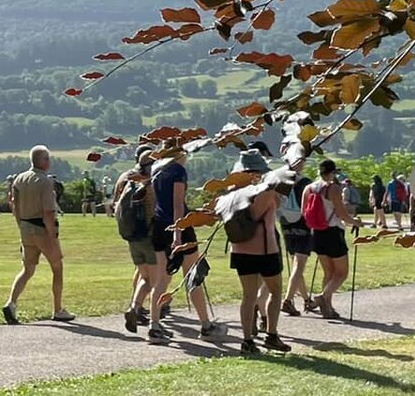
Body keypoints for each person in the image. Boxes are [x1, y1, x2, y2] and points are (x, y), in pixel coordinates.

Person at [225, 151, 291, 355]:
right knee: (275, 291)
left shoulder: (231, 192)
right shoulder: (264, 190)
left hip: (239, 248)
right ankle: (271, 334)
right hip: (264, 248)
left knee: (248, 296)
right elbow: (268, 210)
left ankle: (247, 340)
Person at [150, 148, 219, 341]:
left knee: (161, 280)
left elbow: (158, 202)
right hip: (179, 226)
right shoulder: (178, 171)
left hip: (158, 225)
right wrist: (178, 234)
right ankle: (205, 324)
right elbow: (178, 204)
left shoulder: (156, 169)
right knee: (192, 277)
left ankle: (154, 325)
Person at [3, 146, 73, 325]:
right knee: (57, 268)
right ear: (43, 161)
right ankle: (58, 309)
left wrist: (21, 226)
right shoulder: (45, 181)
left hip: (25, 228)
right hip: (42, 229)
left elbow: (14, 205)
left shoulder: (19, 179)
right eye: (48, 159)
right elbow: (48, 211)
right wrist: (53, 233)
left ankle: (11, 302)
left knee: (27, 270)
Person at [116, 147, 162, 335]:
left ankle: (134, 308)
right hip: (149, 238)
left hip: (132, 238)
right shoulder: (150, 186)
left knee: (145, 278)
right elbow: (155, 213)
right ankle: (155, 324)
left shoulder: (131, 182)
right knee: (157, 281)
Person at [305, 160, 360, 319]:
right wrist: (355, 222)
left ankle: (327, 308)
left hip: (317, 232)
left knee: (328, 272)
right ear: (332, 173)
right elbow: (342, 214)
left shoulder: (310, 187)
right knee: (342, 273)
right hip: (333, 232)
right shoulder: (333, 188)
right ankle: (322, 297)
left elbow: (305, 211)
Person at [277, 166, 314, 317]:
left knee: (295, 266)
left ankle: (306, 300)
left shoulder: (281, 181)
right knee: (299, 265)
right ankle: (288, 300)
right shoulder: (306, 182)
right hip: (302, 225)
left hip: (286, 225)